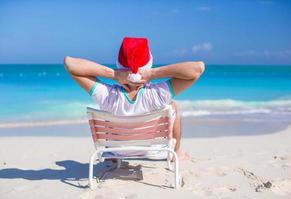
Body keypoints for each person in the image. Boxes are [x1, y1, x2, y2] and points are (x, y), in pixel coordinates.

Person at [64, 37, 205, 160]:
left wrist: (114, 74)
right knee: (172, 106)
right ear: (148, 65)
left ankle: (114, 158)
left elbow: (69, 63)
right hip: (153, 151)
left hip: (115, 151)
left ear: (119, 65)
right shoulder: (157, 95)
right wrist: (154, 73)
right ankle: (177, 152)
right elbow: (198, 68)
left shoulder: (107, 95)